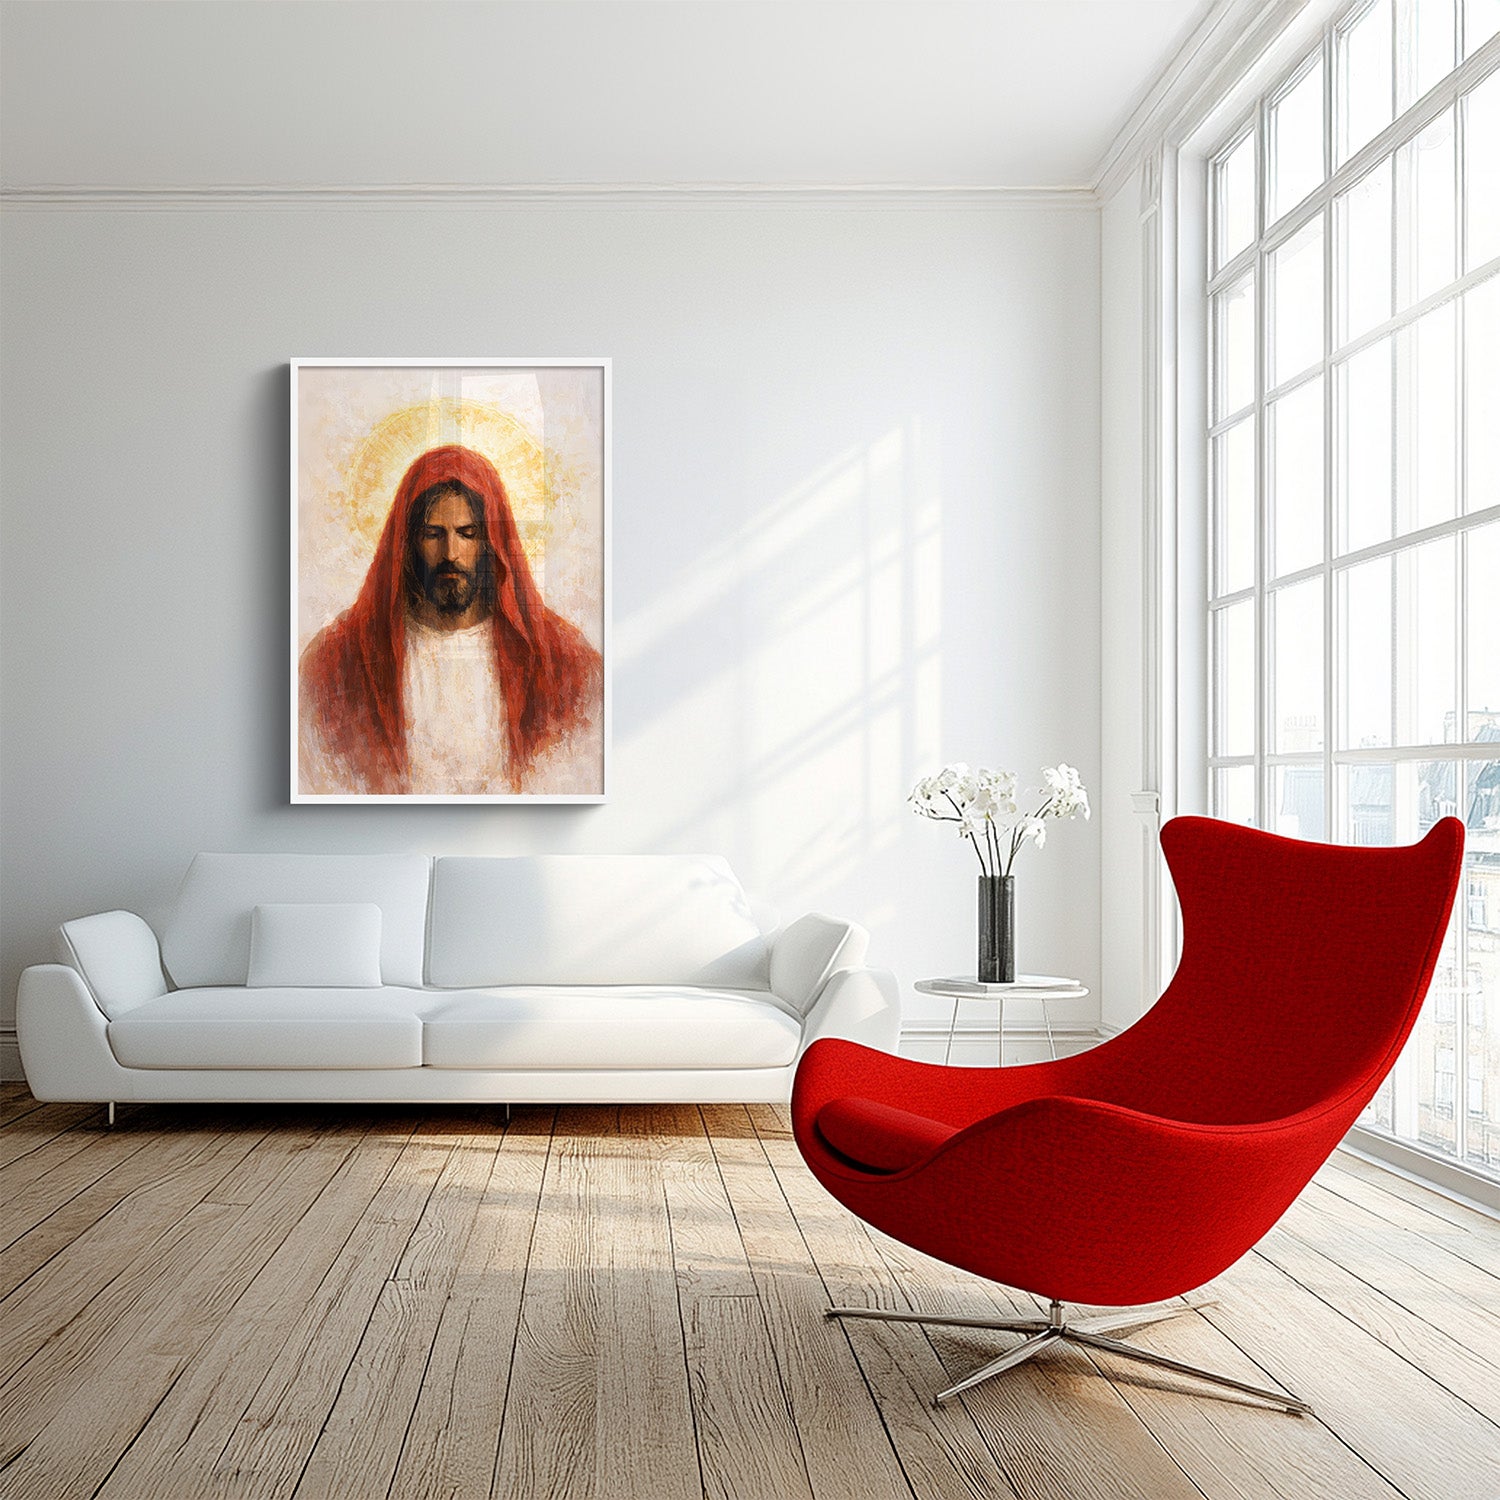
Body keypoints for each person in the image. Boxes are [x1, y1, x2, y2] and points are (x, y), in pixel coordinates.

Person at [298, 444, 602, 794]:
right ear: (408, 543)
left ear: (490, 542)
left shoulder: (560, 657)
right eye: (433, 534)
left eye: (467, 533)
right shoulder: (341, 657)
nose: (450, 553)